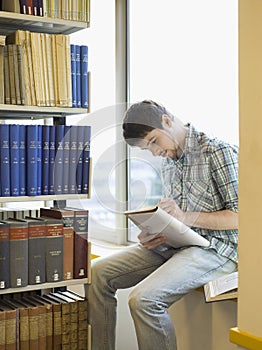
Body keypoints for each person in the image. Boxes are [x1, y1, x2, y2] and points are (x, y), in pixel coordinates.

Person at [88, 100, 238, 350]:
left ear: (167, 121)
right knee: (96, 274)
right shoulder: (168, 161)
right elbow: (175, 217)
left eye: (154, 142)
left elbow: (241, 217)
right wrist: (154, 231)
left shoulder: (218, 151)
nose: (155, 152)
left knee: (144, 300)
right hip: (177, 245)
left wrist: (185, 218)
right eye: (148, 149)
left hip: (217, 249)